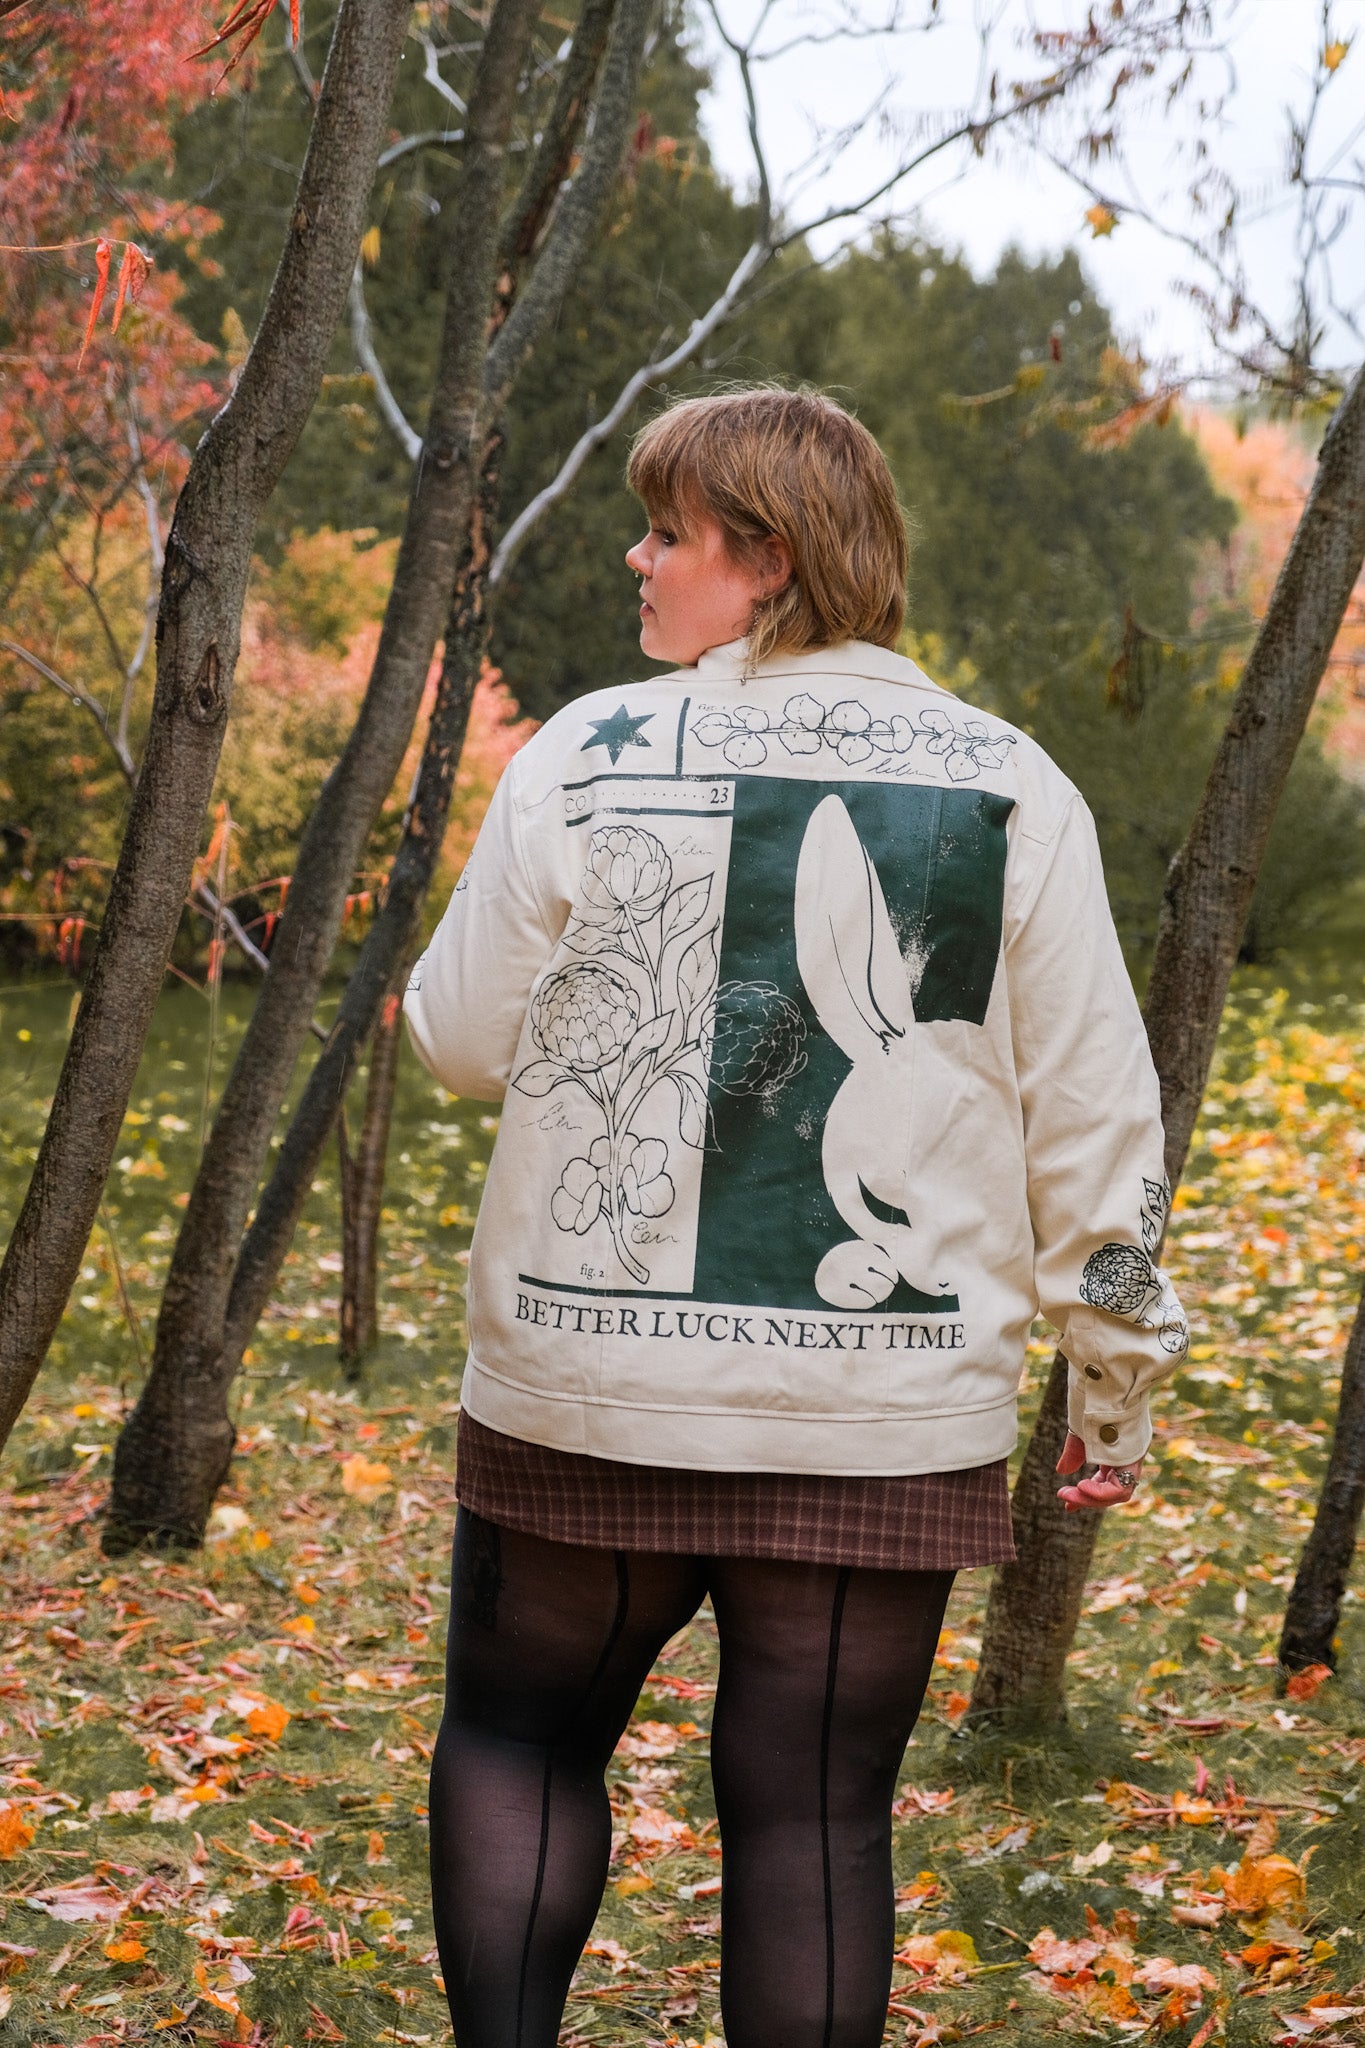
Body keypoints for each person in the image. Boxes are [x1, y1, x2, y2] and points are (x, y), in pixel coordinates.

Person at [404, 388, 1188, 2048]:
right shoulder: (1012, 789)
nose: (637, 556)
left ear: (762, 560)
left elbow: (461, 1043)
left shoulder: (587, 753)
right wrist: (1109, 1379)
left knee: (521, 1748)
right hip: (878, 1416)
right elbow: (1100, 1118)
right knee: (815, 1822)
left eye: (667, 530)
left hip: (589, 1385)